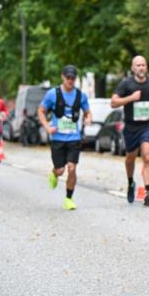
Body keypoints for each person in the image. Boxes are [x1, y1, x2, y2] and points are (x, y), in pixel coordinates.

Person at [111, 55, 149, 206]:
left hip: (147, 125)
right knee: (130, 158)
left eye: (143, 65)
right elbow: (113, 102)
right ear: (132, 68)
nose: (141, 68)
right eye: (138, 65)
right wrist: (130, 98)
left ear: (146, 67)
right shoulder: (126, 84)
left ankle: (148, 192)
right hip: (131, 127)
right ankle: (130, 182)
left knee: (148, 156)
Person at [38, 65, 92, 210]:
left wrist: (88, 119)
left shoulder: (81, 96)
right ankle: (54, 174)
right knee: (60, 170)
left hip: (74, 138)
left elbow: (88, 112)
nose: (70, 80)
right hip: (57, 138)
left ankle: (68, 199)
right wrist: (47, 127)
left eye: (73, 78)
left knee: (72, 168)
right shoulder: (52, 94)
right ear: (62, 77)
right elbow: (41, 111)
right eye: (68, 78)